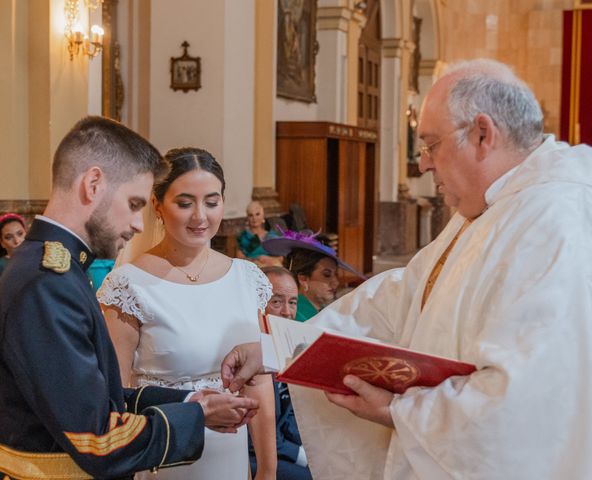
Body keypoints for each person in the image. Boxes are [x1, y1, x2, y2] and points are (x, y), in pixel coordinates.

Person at [223, 58, 592, 479]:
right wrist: (278, 350)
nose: (422, 164)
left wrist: (400, 410)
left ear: (482, 134)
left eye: (431, 145)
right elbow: (398, 300)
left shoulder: (556, 223)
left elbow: (524, 405)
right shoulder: (490, 207)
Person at [0, 117, 260, 480]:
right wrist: (198, 416)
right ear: (93, 184)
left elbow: (101, 397)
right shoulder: (45, 282)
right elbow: (95, 438)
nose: (138, 225)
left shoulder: (57, 269)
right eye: (133, 204)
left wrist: (191, 401)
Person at [98, 147, 277, 480]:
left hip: (231, 458)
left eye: (212, 202)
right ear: (158, 206)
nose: (200, 217)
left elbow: (258, 379)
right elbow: (114, 397)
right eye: (184, 203)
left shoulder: (246, 278)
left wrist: (267, 468)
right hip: (166, 456)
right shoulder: (129, 285)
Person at [248, 266, 312, 480]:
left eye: (292, 302)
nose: (287, 312)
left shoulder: (289, 343)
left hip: (282, 446)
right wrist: (299, 455)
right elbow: (253, 430)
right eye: (276, 302)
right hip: (254, 454)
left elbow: (290, 414)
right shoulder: (248, 350)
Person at [263, 229, 364, 321]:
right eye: (327, 275)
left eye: (335, 275)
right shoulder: (297, 317)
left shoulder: (324, 312)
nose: (336, 282)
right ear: (303, 279)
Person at [236, 200, 281, 267]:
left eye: (257, 214)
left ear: (263, 216)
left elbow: (280, 259)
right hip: (249, 269)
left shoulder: (272, 236)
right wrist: (255, 260)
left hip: (270, 268)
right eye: (251, 215)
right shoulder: (243, 237)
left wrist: (268, 259)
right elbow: (239, 260)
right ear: (247, 218)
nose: (254, 218)